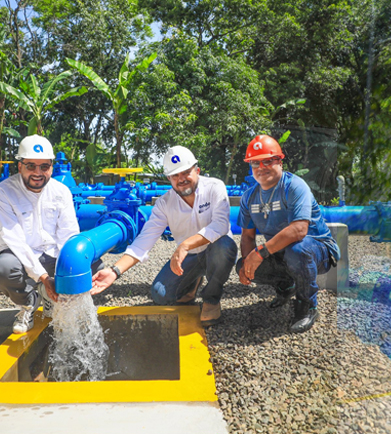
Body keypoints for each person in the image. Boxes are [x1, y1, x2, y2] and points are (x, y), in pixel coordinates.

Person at [91, 146, 238, 327]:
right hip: (191, 257)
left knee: (225, 246)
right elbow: (144, 241)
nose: (181, 179)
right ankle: (193, 283)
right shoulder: (164, 203)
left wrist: (185, 245)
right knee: (160, 294)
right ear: (169, 179)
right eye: (175, 176)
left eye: (186, 172)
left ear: (197, 170)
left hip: (215, 250)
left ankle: (212, 300)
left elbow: (221, 225)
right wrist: (114, 271)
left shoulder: (215, 187)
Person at [0, 135, 101, 334]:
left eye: (44, 166)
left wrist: (66, 273)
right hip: (19, 256)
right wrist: (44, 278)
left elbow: (69, 235)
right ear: (20, 165)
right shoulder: (2, 193)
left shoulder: (61, 191)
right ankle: (28, 303)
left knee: (95, 265)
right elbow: (15, 240)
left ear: (51, 166)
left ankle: (55, 301)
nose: (38, 173)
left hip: (52, 254)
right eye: (31, 166)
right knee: (2, 270)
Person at [235, 135, 339, 334]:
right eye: (255, 162)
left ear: (280, 162)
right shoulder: (249, 197)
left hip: (318, 250)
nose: (261, 167)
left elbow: (299, 230)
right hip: (283, 251)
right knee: (243, 264)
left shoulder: (294, 186)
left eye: (268, 160)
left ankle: (307, 306)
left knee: (297, 250)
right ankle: (285, 287)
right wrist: (248, 264)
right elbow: (247, 236)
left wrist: (259, 253)